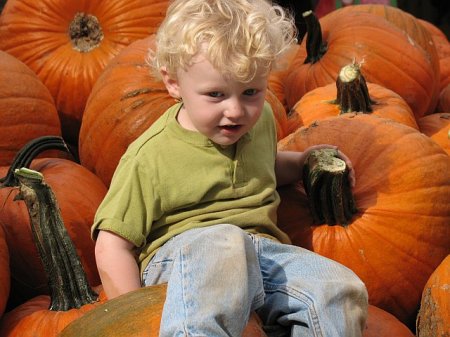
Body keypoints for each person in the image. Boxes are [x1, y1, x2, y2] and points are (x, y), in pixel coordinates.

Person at [92, 0, 368, 336]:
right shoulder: (149, 157)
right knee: (223, 243)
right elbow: (112, 244)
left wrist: (304, 161)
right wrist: (133, 317)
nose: (236, 111)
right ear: (174, 83)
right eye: (216, 94)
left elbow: (262, 170)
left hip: (262, 254)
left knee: (338, 287)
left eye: (251, 91)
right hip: (187, 260)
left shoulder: (261, 120)